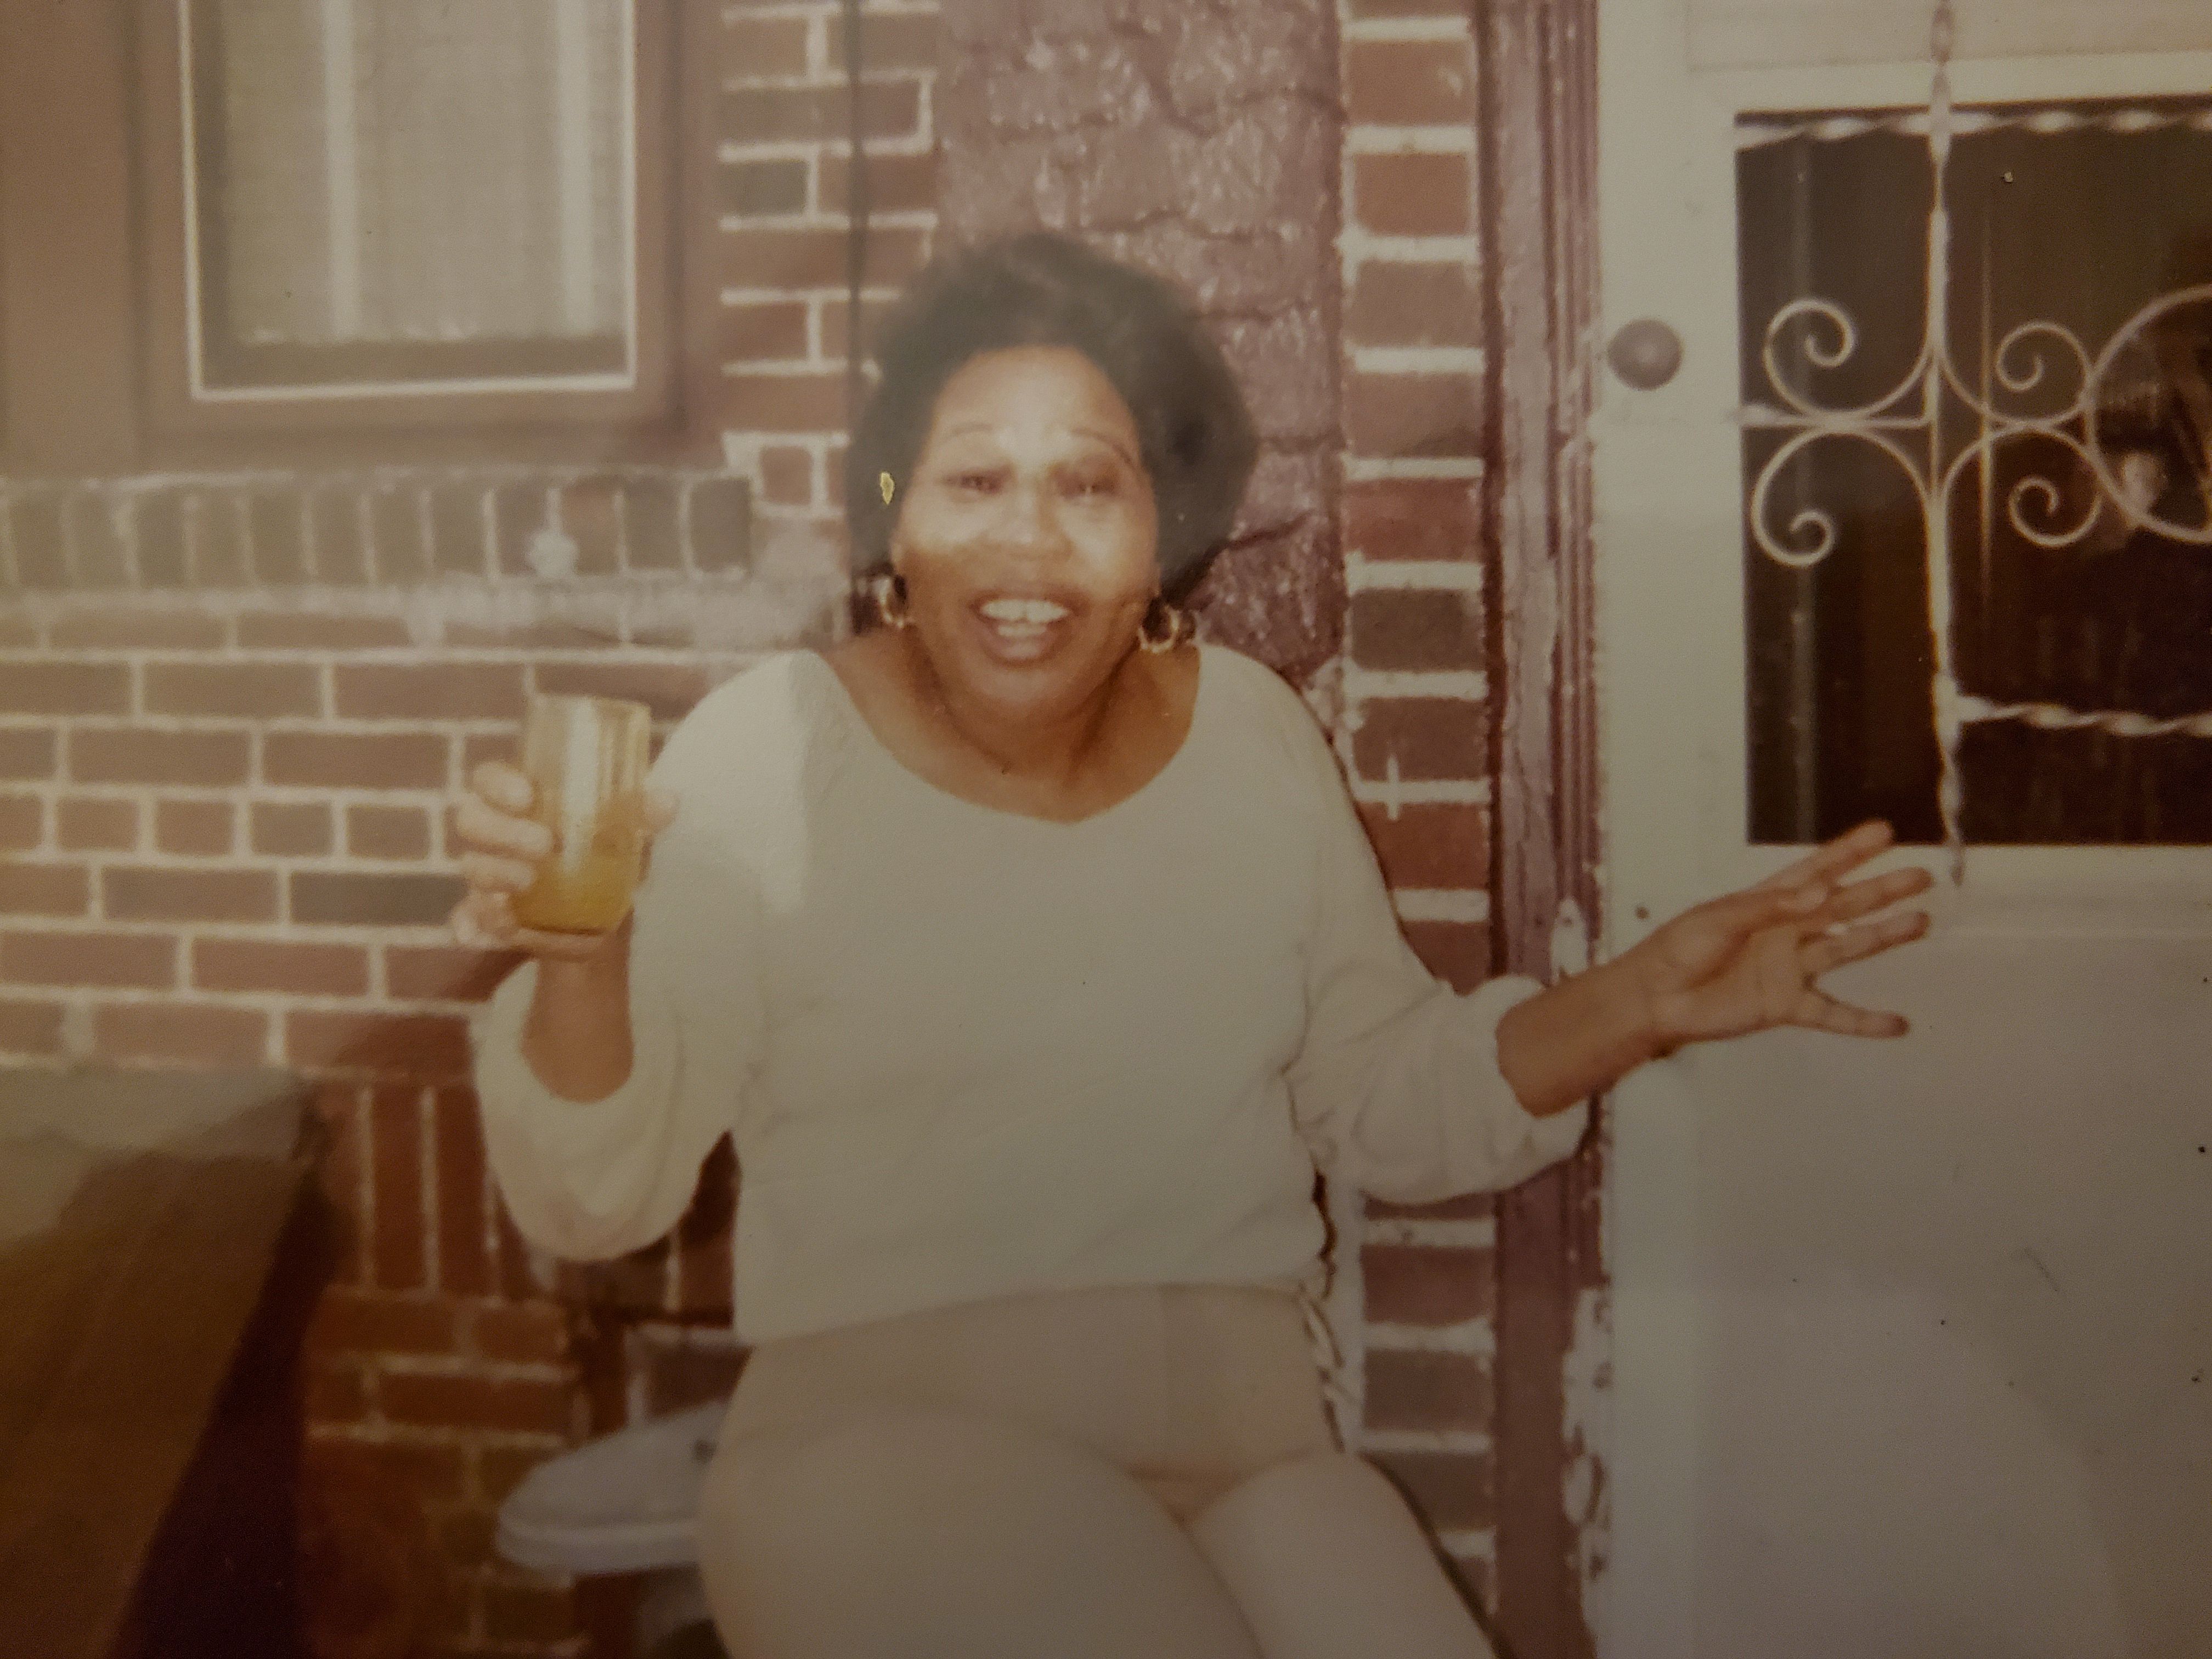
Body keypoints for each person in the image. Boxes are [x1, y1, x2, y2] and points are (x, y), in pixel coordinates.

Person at [452, 233, 1933, 1658]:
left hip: (1254, 1455)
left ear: (1162, 527)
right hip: (887, 1457)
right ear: (896, 514)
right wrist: (582, 957)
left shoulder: (1249, 736)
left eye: (1088, 485)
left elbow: (1376, 1093)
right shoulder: (770, 753)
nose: (1026, 539)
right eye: (974, 480)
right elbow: (595, 1205)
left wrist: (1638, 1002)